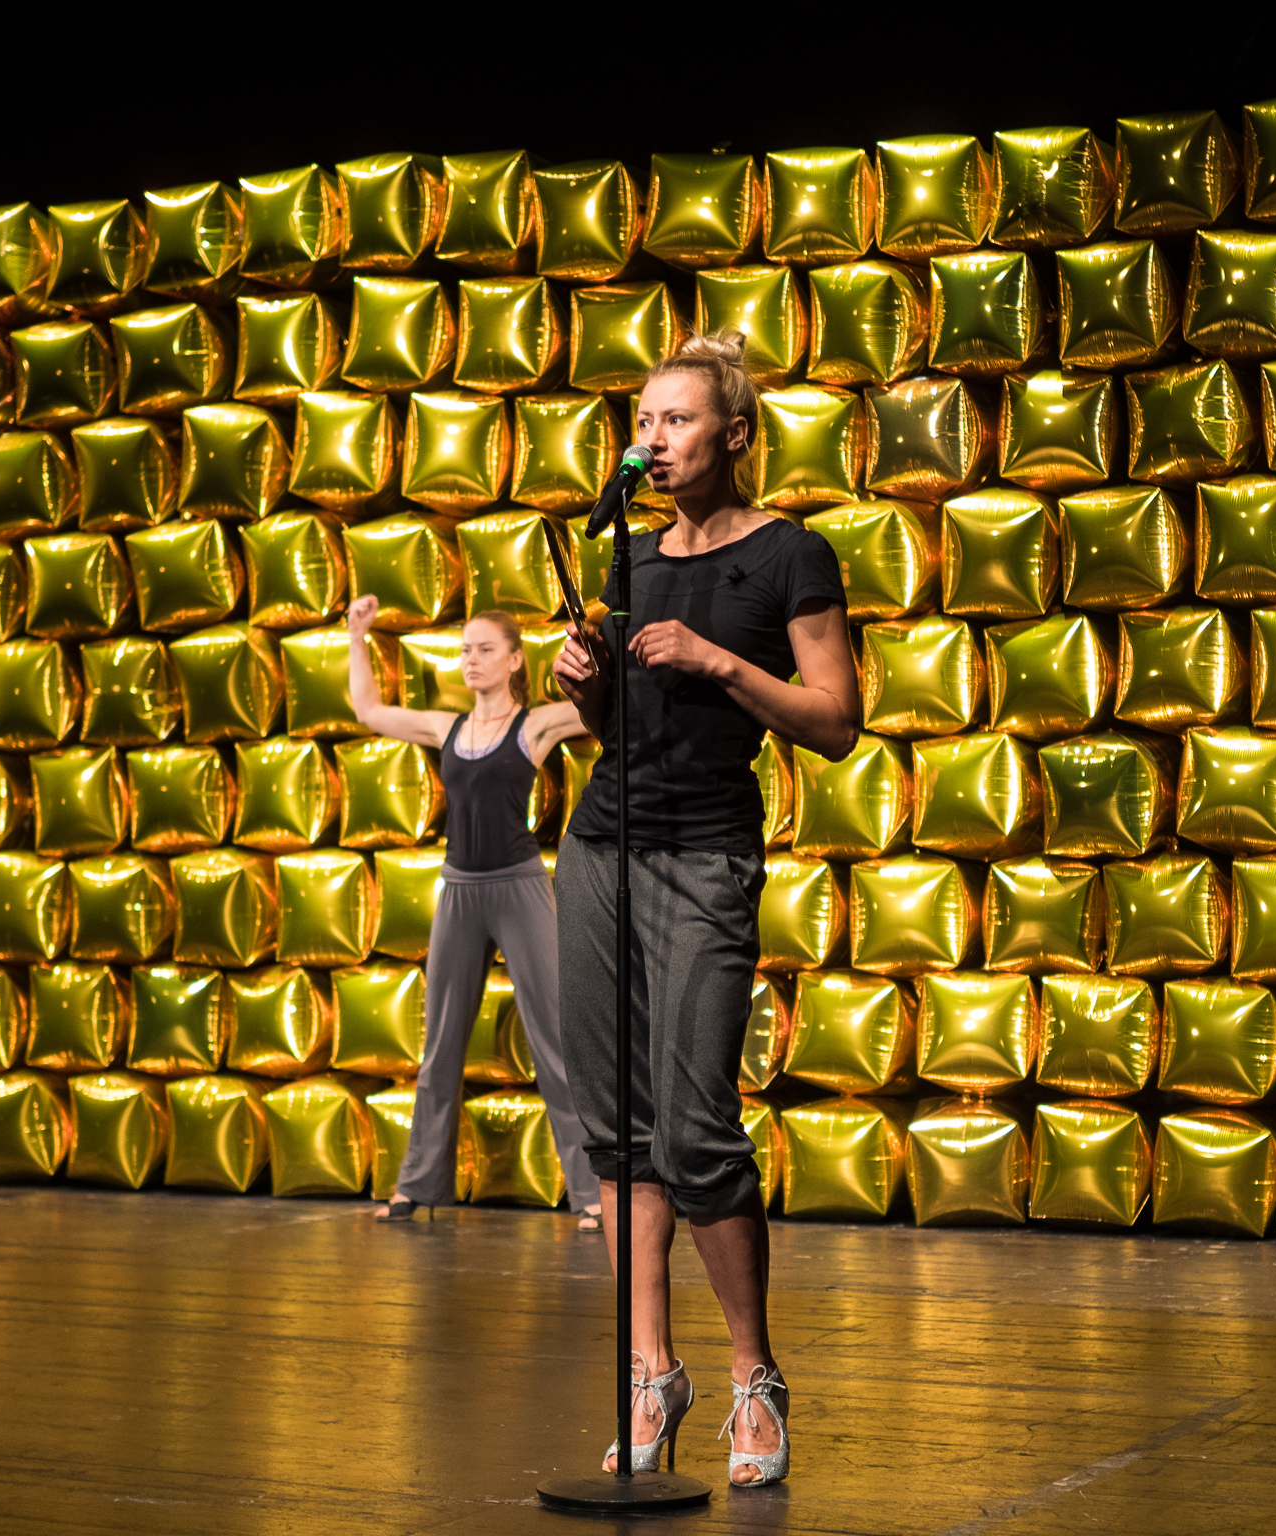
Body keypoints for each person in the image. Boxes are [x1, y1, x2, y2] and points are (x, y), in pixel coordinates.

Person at [552, 331, 858, 1488]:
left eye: (674, 420)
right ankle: (648, 1372)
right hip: (601, 850)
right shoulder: (627, 559)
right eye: (642, 422)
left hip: (704, 858)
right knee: (617, 1134)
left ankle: (752, 1375)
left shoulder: (787, 554)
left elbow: (835, 721)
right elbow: (611, 732)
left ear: (733, 434)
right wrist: (587, 689)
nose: (652, 440)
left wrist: (717, 661)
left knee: (693, 1131)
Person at [344, 599, 602, 1229]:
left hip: (520, 888)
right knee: (439, 1046)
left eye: (485, 649)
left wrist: (600, 648)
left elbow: (606, 710)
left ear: (515, 661)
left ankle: (594, 1192)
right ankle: (416, 1185)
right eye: (465, 650)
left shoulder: (535, 724)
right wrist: (356, 635)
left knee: (555, 1042)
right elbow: (369, 711)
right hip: (459, 891)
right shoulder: (447, 728)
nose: (471, 660)